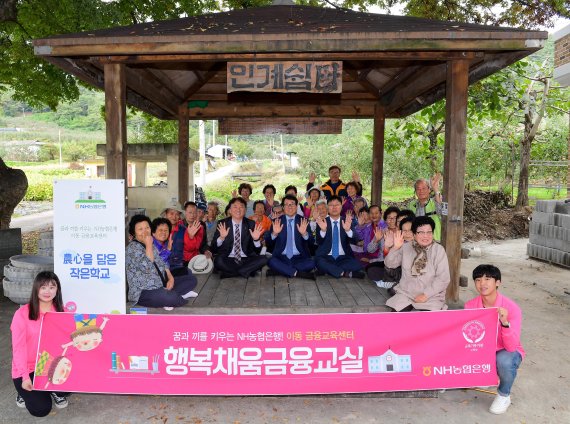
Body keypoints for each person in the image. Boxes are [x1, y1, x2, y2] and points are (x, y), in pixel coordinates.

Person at [465, 264, 525, 415]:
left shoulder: (512, 308)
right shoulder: (470, 306)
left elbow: (511, 346)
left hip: (506, 350)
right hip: (483, 349)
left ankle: (504, 394)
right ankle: (486, 376)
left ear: (498, 282)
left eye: (488, 279)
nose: (482, 283)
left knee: (504, 361)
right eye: (478, 280)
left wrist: (505, 323)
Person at [11, 271, 69, 417]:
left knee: (69, 386)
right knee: (41, 409)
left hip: (49, 363)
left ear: (57, 290)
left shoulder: (62, 311)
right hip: (27, 367)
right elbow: (18, 349)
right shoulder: (22, 314)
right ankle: (22, 393)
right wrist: (24, 377)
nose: (47, 291)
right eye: (43, 287)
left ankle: (53, 390)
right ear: (36, 289)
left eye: (52, 287)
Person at [126, 215, 198, 310]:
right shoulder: (132, 248)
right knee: (169, 297)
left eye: (147, 227)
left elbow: (162, 263)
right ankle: (175, 297)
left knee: (192, 280)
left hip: (160, 284)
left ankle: (171, 296)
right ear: (134, 232)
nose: (145, 231)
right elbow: (147, 267)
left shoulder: (150, 244)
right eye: (140, 229)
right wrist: (148, 245)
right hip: (143, 292)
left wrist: (171, 279)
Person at [384, 216, 450, 311]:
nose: (425, 236)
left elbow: (443, 278)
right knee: (397, 320)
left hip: (431, 297)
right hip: (406, 294)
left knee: (427, 323)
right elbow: (390, 264)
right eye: (421, 232)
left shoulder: (438, 250)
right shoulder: (406, 247)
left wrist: (425, 295)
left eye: (429, 232)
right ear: (414, 234)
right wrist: (395, 248)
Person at [210, 197, 268, 279]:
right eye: (235, 207)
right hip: (228, 258)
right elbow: (213, 248)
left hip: (246, 259)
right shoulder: (223, 223)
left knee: (264, 259)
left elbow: (257, 251)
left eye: (241, 207)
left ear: (245, 210)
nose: (238, 209)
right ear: (230, 210)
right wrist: (221, 238)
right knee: (218, 261)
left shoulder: (251, 224)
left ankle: (232, 273)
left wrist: (256, 240)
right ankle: (245, 271)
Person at [265, 194, 316, 279]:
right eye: (286, 204)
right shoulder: (277, 221)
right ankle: (298, 273)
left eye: (292, 204)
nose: (289, 207)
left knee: (312, 263)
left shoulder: (304, 220)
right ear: (283, 207)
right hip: (281, 257)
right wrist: (274, 234)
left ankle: (281, 271)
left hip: (300, 257)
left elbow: (311, 242)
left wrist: (304, 234)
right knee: (271, 261)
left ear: (296, 206)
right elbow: (269, 243)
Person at [314, 196, 364, 279]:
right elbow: (318, 241)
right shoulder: (322, 222)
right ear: (327, 208)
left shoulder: (347, 221)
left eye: (337, 205)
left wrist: (348, 230)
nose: (334, 207)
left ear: (341, 206)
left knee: (357, 265)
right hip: (326, 256)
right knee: (318, 262)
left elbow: (355, 240)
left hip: (343, 257)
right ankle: (344, 273)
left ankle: (328, 270)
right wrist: (323, 230)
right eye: (331, 205)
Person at [407, 174, 443, 241]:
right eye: (418, 189)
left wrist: (435, 189)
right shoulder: (411, 205)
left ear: (429, 190)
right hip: (416, 241)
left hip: (434, 242)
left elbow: (442, 212)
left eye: (424, 188)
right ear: (415, 191)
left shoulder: (435, 202)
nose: (421, 191)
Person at [182, 201, 211, 266]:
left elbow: (203, 243)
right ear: (185, 212)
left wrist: (206, 251)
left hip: (197, 256)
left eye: (195, 212)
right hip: (182, 258)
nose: (192, 215)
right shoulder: (180, 225)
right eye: (190, 212)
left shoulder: (201, 226)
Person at [161, 202, 186, 272]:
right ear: (166, 214)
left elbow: (188, 248)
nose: (174, 217)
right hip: (162, 265)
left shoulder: (184, 230)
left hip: (178, 264)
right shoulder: (159, 230)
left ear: (180, 216)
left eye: (177, 214)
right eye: (171, 213)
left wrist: (191, 236)